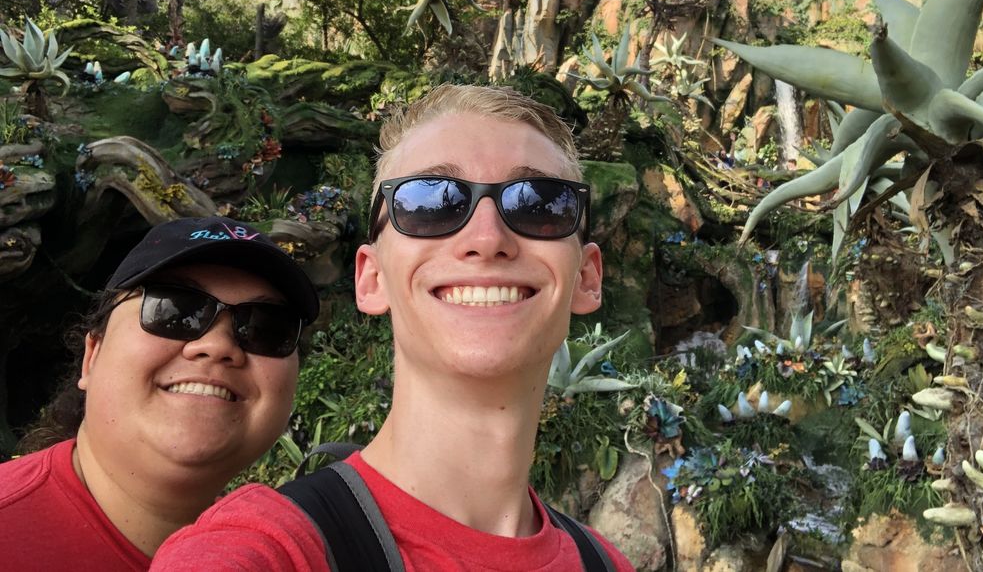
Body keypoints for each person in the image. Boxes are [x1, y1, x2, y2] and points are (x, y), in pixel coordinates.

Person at [151, 84, 633, 570]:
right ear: (372, 279)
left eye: (538, 205)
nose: (487, 238)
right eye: (432, 203)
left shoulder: (607, 563)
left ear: (587, 279)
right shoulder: (270, 547)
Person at [0, 216, 319, 570]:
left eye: (266, 327)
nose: (217, 346)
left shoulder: (281, 556)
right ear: (92, 356)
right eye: (173, 308)